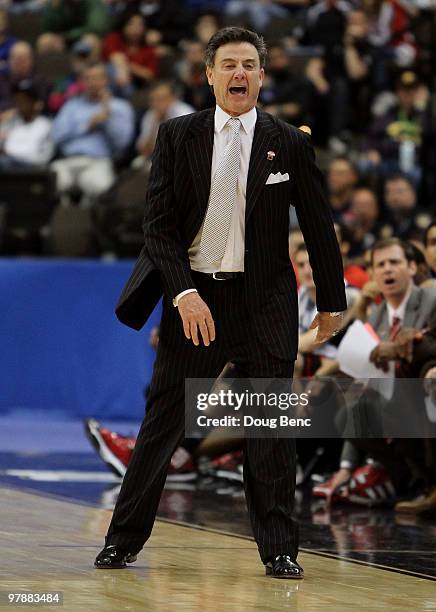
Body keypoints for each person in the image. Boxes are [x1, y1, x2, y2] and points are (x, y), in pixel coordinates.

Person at [94, 26, 346, 579]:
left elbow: (320, 227)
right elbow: (157, 228)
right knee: (163, 423)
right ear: (208, 75)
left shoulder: (290, 142)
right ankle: (122, 541)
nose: (239, 74)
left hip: (265, 301)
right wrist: (183, 293)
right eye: (228, 64)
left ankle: (280, 549)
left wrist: (333, 302)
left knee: (271, 432)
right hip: (197, 297)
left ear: (261, 75)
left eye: (249, 65)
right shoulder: (177, 136)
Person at [50, 63, 135, 208]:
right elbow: (56, 136)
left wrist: (107, 116)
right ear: (82, 82)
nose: (92, 83)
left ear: (106, 80)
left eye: (96, 78)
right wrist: (87, 125)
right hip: (67, 161)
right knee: (44, 184)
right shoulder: (71, 106)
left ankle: (89, 225)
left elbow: (123, 144)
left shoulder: (120, 107)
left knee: (101, 187)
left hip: (98, 162)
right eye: (88, 79)